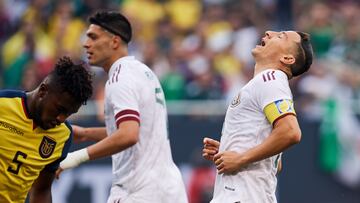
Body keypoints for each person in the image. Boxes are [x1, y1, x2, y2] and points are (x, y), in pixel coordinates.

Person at [57, 11, 188, 203]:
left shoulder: (119, 78)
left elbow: (128, 135)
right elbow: (137, 130)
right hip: (169, 186)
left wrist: (72, 159)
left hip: (139, 189)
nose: (86, 44)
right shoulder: (143, 72)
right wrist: (85, 133)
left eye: (93, 37)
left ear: (114, 42)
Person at [202, 30, 313, 203]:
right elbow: (276, 165)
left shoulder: (271, 79)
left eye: (280, 36)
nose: (269, 32)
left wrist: (240, 158)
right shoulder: (266, 84)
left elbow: (291, 132)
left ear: (287, 59)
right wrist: (229, 150)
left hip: (243, 197)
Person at [0, 56, 93, 203]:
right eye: (60, 109)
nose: (61, 119)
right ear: (43, 91)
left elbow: (42, 190)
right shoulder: (3, 105)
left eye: (68, 114)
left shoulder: (62, 136)